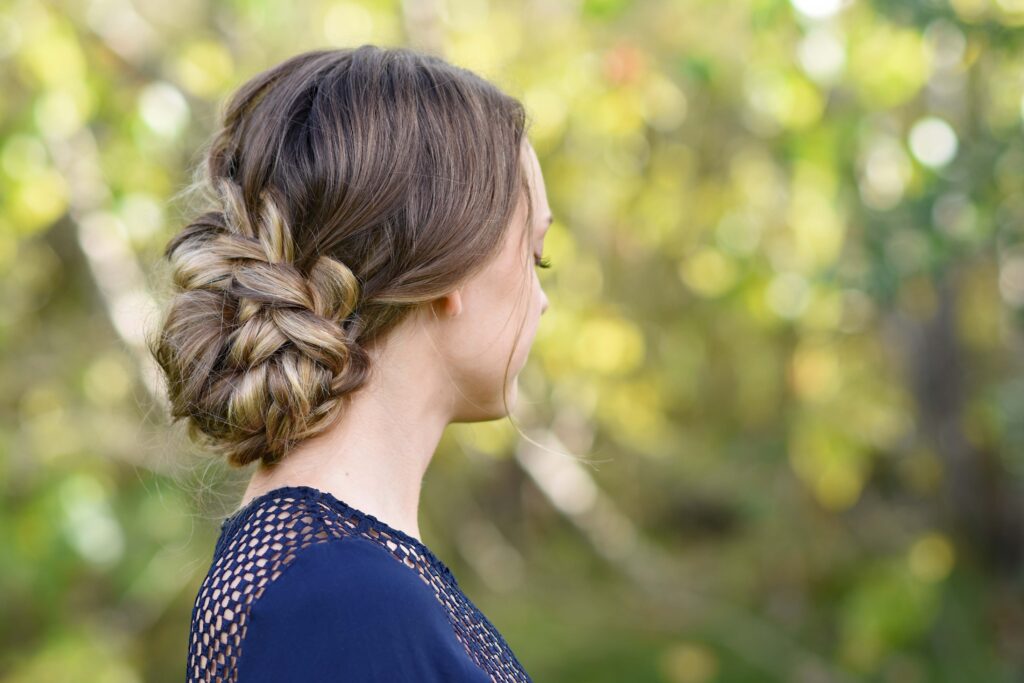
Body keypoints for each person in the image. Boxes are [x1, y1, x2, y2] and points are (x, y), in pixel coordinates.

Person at [147, 44, 553, 682]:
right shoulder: (343, 599)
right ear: (454, 262)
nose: (543, 299)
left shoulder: (340, 580)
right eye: (535, 254)